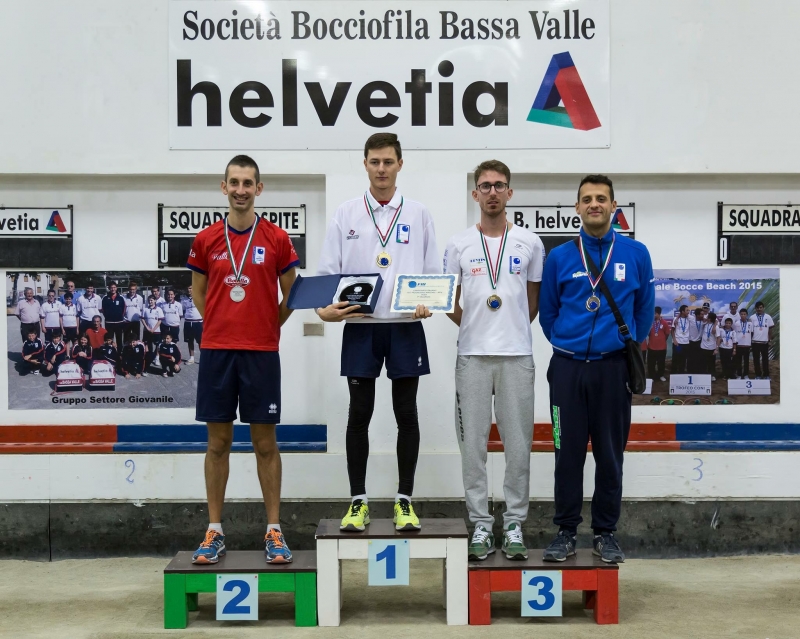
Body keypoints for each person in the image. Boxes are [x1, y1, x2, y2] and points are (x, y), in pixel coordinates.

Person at [316, 133, 439, 533]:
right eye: (375, 162)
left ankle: (404, 502)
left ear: (400, 164)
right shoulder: (346, 213)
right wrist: (325, 310)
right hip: (361, 327)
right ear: (365, 164)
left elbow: (434, 275)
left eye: (388, 161)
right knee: (359, 416)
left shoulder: (418, 213)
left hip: (405, 327)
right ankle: (358, 503)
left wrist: (428, 302)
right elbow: (325, 276)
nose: (381, 169)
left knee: (407, 414)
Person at [186, 154, 299, 565]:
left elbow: (293, 294)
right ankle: (214, 531)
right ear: (223, 187)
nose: (240, 189)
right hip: (218, 352)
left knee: (265, 444)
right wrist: (218, 321)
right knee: (217, 443)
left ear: (258, 189)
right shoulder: (205, 239)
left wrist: (271, 324)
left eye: (247, 183)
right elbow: (197, 291)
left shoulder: (276, 238)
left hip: (262, 354)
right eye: (233, 182)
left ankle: (274, 530)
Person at [539, 174, 654, 564]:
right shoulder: (559, 257)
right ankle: (566, 531)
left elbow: (643, 309)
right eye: (587, 198)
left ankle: (605, 533)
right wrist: (564, 339)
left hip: (612, 371)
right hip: (567, 371)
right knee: (565, 453)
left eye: (601, 198)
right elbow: (549, 311)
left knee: (609, 455)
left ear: (613, 206)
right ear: (577, 208)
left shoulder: (636, 254)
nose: (594, 204)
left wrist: (620, 344)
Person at [444, 160, 544, 561]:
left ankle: (515, 521)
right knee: (473, 447)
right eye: (484, 186)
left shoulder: (531, 243)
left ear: (510, 192)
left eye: (499, 185)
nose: (492, 192)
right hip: (471, 357)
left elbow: (532, 301)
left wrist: (509, 327)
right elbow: (449, 300)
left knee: (518, 445)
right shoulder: (458, 245)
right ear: (475, 194)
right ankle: (481, 525)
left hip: (517, 356)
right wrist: (476, 327)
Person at [751, 301, 775, 380]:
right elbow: (750, 331)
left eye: (761, 307)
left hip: (765, 342)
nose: (759, 309)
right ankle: (757, 375)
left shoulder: (768, 317)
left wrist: (770, 340)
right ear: (755, 309)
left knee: (765, 360)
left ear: (763, 308)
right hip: (755, 342)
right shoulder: (752, 318)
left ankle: (766, 375)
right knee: (756, 360)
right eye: (757, 308)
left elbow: (770, 330)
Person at [141, 295, 164, 372]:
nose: (150, 302)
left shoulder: (159, 309)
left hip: (156, 331)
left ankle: (156, 358)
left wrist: (154, 329)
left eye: (152, 300)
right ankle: (148, 358)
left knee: (157, 345)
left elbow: (160, 321)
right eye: (149, 300)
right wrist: (147, 328)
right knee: (147, 344)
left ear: (155, 301)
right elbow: (143, 319)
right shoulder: (145, 309)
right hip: (147, 331)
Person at [181, 285, 203, 364]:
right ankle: (191, 358)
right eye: (187, 288)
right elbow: (182, 310)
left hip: (198, 322)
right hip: (188, 322)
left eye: (190, 288)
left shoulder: (200, 298)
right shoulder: (184, 299)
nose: (189, 290)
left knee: (200, 341)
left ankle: (203, 358)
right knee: (190, 341)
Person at [647, 307, 669, 381]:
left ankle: (661, 375)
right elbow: (647, 334)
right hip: (651, 347)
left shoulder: (664, 323)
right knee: (651, 363)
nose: (653, 315)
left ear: (659, 314)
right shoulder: (650, 323)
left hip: (662, 347)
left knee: (661, 363)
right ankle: (652, 376)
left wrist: (662, 340)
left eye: (655, 314)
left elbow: (667, 334)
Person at [101, 281, 126, 348]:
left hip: (119, 322)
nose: (113, 289)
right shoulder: (105, 298)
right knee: (109, 340)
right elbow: (103, 309)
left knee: (119, 339)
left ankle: (119, 354)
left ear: (116, 288)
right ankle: (110, 353)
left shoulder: (121, 298)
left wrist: (120, 316)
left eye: (114, 287)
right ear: (109, 288)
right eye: (111, 287)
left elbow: (124, 309)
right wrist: (108, 316)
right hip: (109, 323)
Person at [670, 305, 690, 375]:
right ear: (682, 311)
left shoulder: (689, 319)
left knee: (683, 360)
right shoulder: (676, 319)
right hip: (677, 343)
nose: (688, 312)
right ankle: (673, 374)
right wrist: (674, 340)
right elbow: (672, 330)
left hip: (686, 343)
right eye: (687, 310)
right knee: (675, 359)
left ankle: (681, 374)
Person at [734, 308, 753, 379]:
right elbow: (734, 334)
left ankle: (745, 375)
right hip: (739, 345)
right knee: (738, 361)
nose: (743, 315)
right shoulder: (736, 323)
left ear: (747, 315)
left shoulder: (750, 324)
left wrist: (750, 343)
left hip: (747, 345)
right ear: (739, 315)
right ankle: (739, 374)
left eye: (744, 314)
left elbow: (752, 333)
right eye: (741, 314)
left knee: (746, 361)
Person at [699, 312, 718, 379]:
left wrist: (716, 349)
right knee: (703, 362)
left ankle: (712, 375)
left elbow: (718, 338)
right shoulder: (704, 324)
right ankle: (703, 376)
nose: (706, 318)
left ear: (710, 319)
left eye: (708, 317)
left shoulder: (716, 327)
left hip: (711, 347)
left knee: (711, 363)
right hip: (703, 347)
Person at [687, 308, 704, 373]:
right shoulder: (691, 318)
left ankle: (698, 372)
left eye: (703, 314)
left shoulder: (704, 321)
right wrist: (677, 318)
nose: (703, 316)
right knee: (690, 358)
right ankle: (690, 372)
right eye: (701, 314)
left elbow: (715, 321)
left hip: (699, 342)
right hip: (691, 342)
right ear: (697, 315)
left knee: (698, 358)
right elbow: (682, 312)